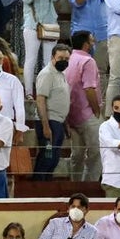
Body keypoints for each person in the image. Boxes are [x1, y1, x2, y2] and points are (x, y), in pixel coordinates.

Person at [33, 45, 71, 179]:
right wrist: (45, 126)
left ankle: (46, 186)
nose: (63, 61)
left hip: (59, 122)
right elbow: (40, 99)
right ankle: (38, 187)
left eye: (66, 58)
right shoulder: (47, 74)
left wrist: (65, 124)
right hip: (49, 122)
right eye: (60, 58)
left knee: (54, 159)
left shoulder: (62, 74)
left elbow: (62, 100)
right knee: (47, 156)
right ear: (52, 57)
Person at [37, 193, 106, 239]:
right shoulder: (55, 223)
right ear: (68, 208)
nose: (76, 210)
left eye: (79, 207)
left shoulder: (92, 231)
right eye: (73, 206)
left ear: (86, 210)